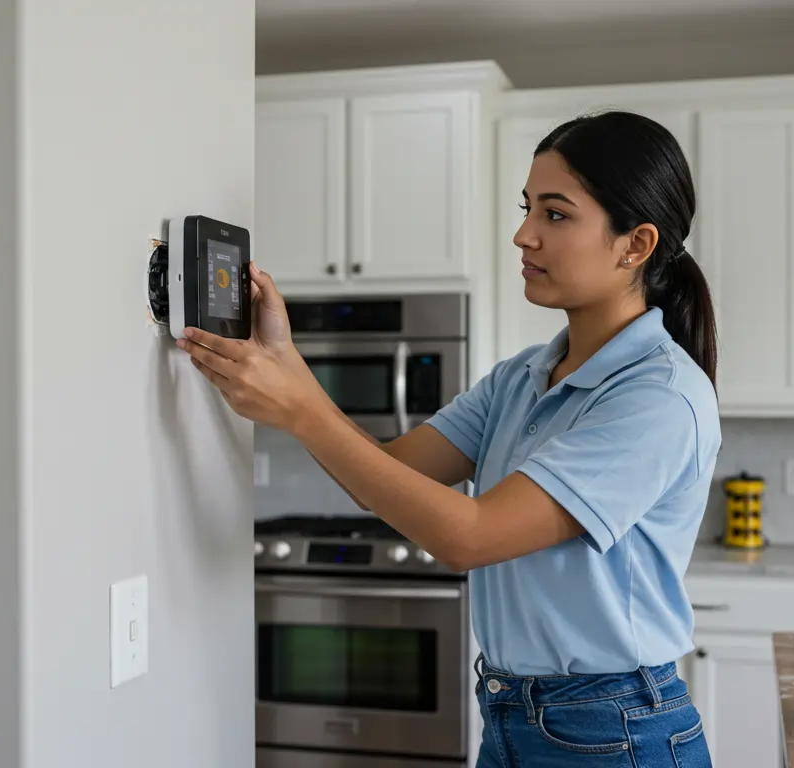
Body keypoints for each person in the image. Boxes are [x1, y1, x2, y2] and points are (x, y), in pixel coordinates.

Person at [177, 110, 721, 767]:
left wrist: (300, 410)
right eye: (527, 208)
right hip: (512, 718)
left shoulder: (658, 396)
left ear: (634, 245)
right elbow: (386, 476)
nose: (523, 235)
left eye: (555, 214)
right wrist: (293, 373)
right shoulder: (523, 377)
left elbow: (471, 536)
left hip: (614, 732)